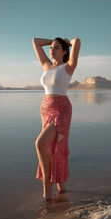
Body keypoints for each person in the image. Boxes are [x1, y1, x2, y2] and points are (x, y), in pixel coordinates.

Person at [32, 37, 81, 202]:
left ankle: (47, 184)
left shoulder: (68, 67)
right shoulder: (46, 65)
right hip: (46, 109)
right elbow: (35, 41)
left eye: (56, 48)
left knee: (40, 144)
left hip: (62, 110)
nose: (51, 50)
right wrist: (53, 41)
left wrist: (68, 41)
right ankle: (62, 189)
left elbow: (77, 41)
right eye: (51, 48)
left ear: (65, 51)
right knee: (52, 148)